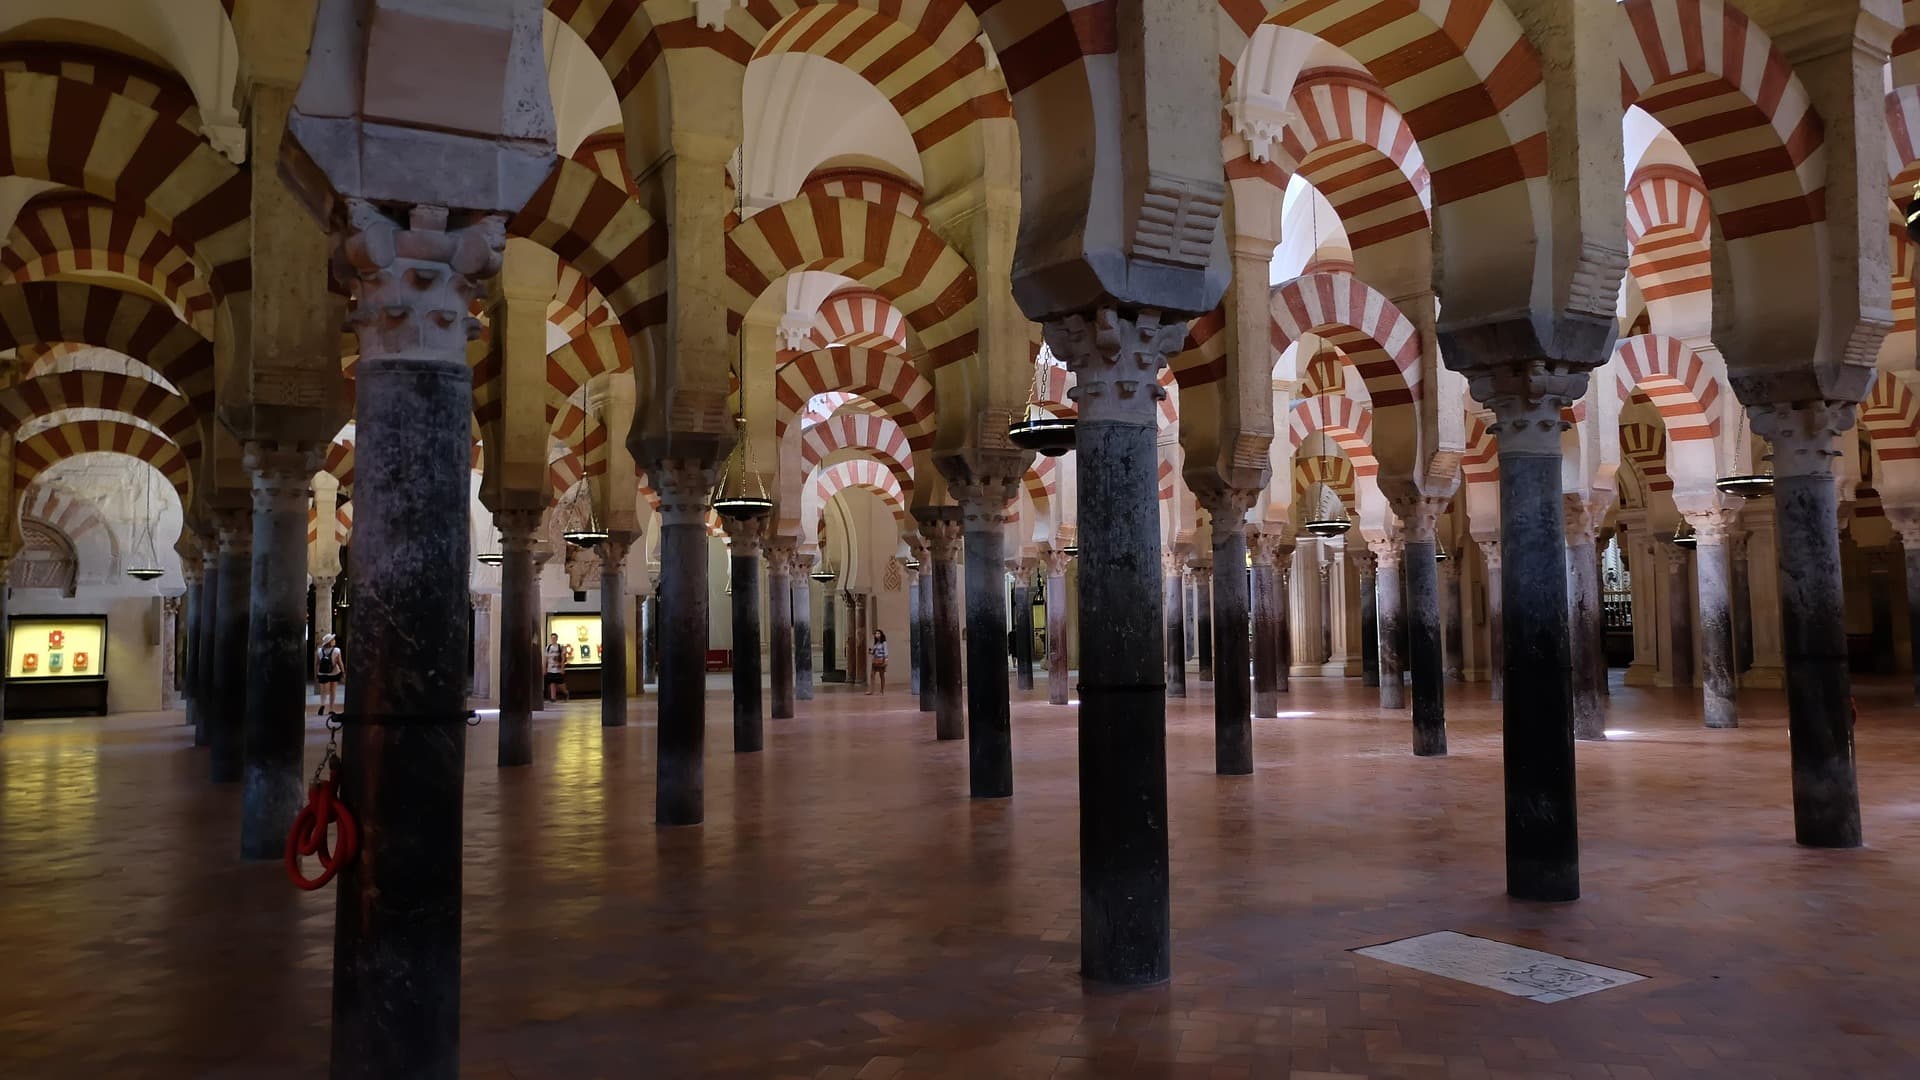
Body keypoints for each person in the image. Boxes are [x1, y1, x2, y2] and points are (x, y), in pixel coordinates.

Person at [315, 633, 344, 716]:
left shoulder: (319, 651)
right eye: (333, 640)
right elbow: (340, 662)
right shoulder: (337, 650)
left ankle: (322, 704)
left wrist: (317, 674)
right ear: (330, 642)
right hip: (334, 673)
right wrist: (343, 672)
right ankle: (331, 709)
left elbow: (317, 663)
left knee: (323, 691)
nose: (334, 641)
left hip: (322, 673)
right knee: (333, 691)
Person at [545, 632, 569, 703]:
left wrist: (562, 668)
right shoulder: (548, 647)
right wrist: (544, 668)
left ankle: (565, 692)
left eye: (554, 638)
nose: (553, 639)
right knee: (552, 682)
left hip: (558, 668)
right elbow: (546, 658)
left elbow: (563, 658)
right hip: (550, 668)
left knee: (560, 683)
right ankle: (553, 697)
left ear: (557, 639)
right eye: (552, 638)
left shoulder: (560, 647)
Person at [867, 629, 889, 695]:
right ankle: (871, 690)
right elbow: (874, 652)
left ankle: (882, 690)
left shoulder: (884, 643)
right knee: (872, 675)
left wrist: (886, 660)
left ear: (881, 634)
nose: (877, 635)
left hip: (881, 660)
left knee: (881, 675)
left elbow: (886, 652)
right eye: (876, 634)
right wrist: (870, 652)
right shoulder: (876, 643)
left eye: (878, 633)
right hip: (875, 660)